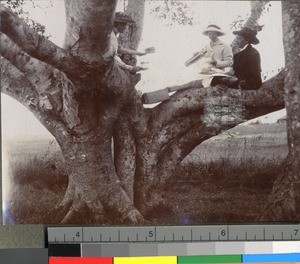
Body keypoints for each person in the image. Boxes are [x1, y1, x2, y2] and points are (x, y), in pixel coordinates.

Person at [141, 24, 233, 104]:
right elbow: (197, 59)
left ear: (218, 34)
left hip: (216, 73)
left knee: (188, 83)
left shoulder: (225, 46)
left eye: (213, 33)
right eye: (209, 33)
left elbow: (229, 62)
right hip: (204, 72)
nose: (211, 35)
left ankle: (153, 97)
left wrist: (216, 62)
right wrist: (196, 55)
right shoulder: (206, 46)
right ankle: (150, 97)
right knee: (179, 82)